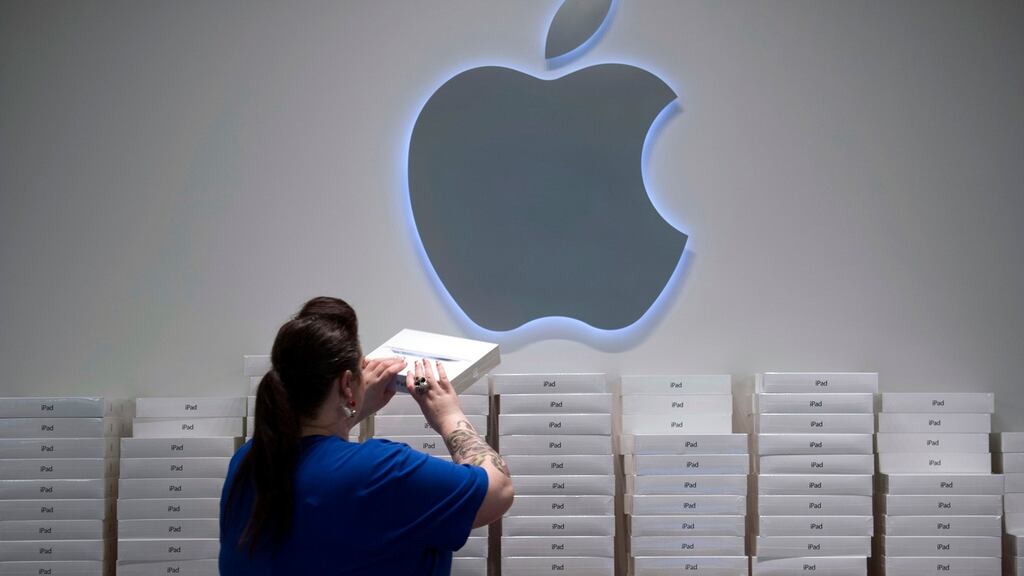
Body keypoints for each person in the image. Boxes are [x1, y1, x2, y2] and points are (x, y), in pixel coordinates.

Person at [219, 297, 514, 575]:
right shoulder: (379, 470)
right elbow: (498, 491)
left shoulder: (249, 461)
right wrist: (450, 417)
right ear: (347, 383)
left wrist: (352, 408)